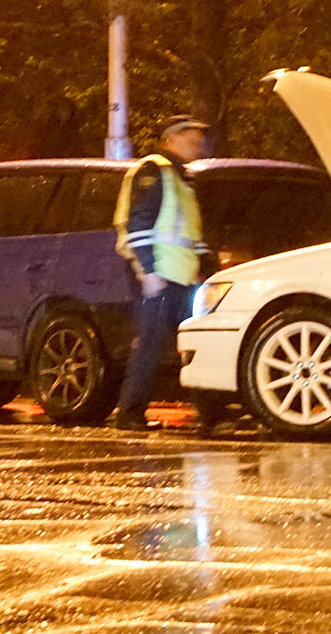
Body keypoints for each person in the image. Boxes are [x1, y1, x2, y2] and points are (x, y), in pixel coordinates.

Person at [112, 115, 216, 431]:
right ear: (170, 139)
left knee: (196, 343)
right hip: (158, 275)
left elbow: (189, 234)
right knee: (151, 346)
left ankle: (211, 410)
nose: (198, 141)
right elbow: (138, 225)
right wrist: (148, 272)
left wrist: (206, 266)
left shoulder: (181, 178)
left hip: (182, 276)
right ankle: (129, 414)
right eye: (191, 135)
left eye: (199, 135)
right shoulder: (153, 171)